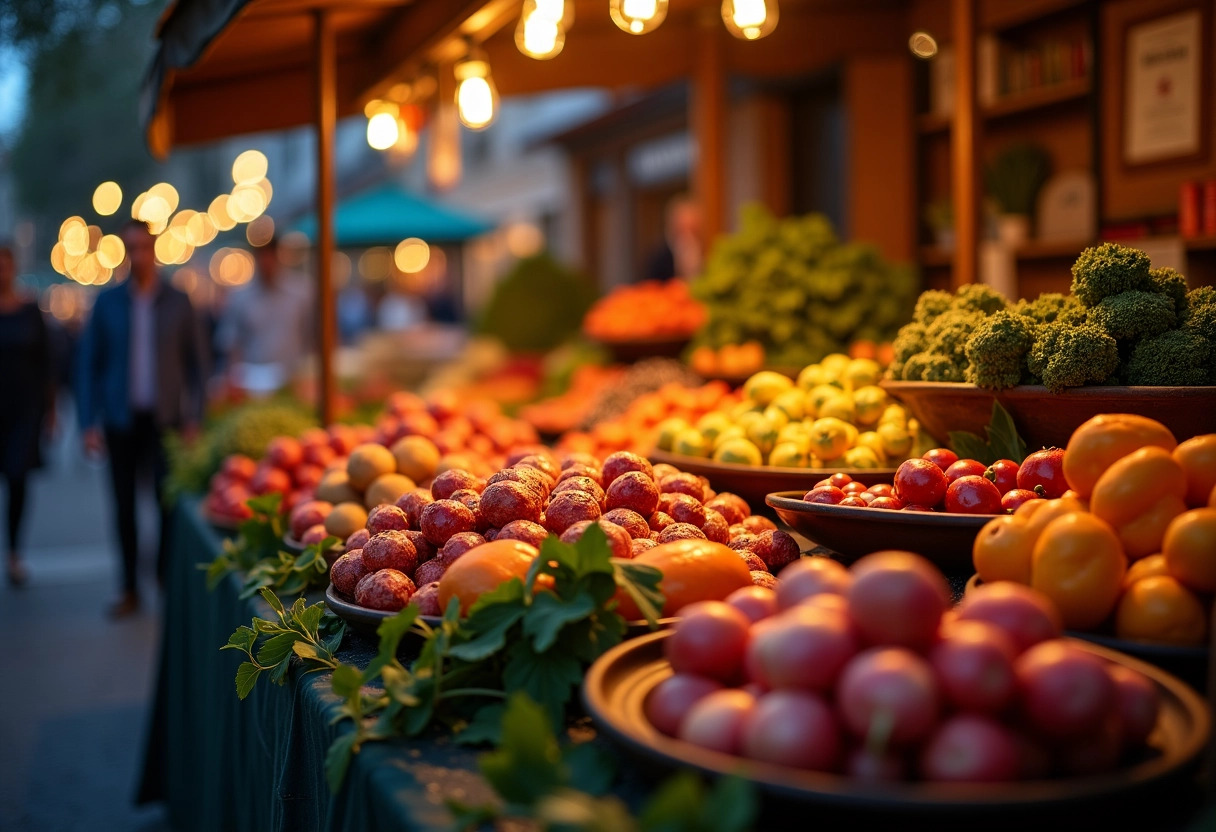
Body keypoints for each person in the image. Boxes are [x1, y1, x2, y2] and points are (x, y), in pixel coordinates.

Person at [77, 221, 208, 617]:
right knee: (123, 505)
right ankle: (129, 586)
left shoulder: (178, 300)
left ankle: (164, 578)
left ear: (155, 250)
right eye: (131, 248)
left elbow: (198, 363)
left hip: (165, 419)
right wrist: (87, 422)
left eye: (144, 248)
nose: (138, 256)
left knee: (166, 504)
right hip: (120, 419)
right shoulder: (108, 302)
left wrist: (194, 417)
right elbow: (88, 365)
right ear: (125, 253)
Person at [0, 245, 54, 586]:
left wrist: (52, 410)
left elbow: (47, 363)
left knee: (18, 480)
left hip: (24, 411)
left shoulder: (30, 311)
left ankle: (14, 552)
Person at [216, 237, 312, 394]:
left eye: (270, 256)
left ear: (278, 256)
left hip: (293, 379)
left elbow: (312, 334)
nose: (266, 262)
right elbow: (230, 342)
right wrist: (233, 377)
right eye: (262, 256)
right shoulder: (240, 297)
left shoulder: (301, 292)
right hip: (252, 382)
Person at [644, 194, 704, 282]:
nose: (688, 235)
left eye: (692, 230)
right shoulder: (658, 257)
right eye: (683, 229)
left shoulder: (704, 252)